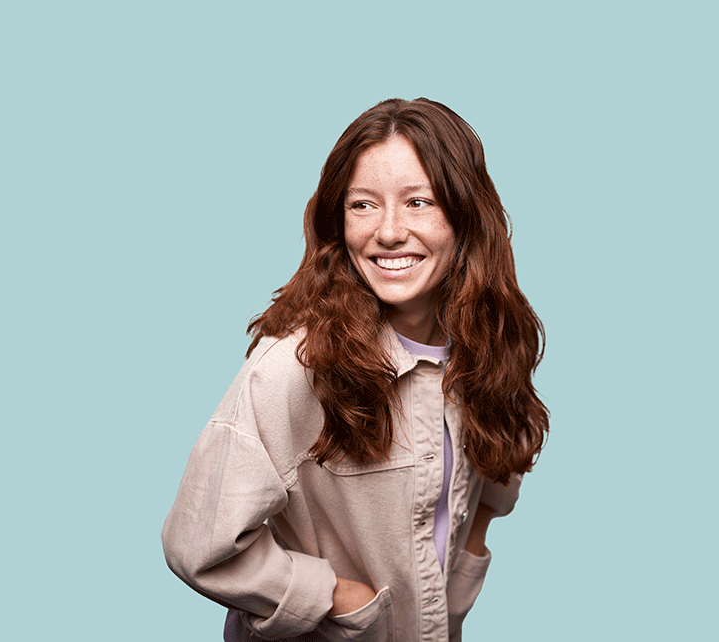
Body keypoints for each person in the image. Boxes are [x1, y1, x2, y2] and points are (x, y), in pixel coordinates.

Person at [162, 98, 550, 642]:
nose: (388, 232)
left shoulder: (488, 341)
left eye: (419, 202)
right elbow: (196, 541)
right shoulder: (293, 368)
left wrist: (470, 548)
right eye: (363, 205)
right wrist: (334, 598)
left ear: (466, 218)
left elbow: (499, 461)